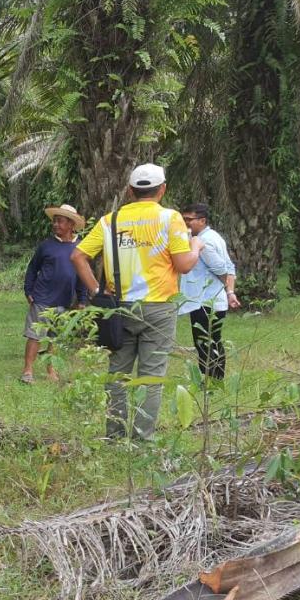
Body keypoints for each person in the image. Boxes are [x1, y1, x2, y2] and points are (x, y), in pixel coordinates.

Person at [71, 164, 204, 440]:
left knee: (117, 374)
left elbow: (78, 257)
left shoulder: (111, 221)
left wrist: (96, 290)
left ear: (130, 191)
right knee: (151, 376)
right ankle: (142, 438)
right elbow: (184, 266)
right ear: (163, 189)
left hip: (119, 307)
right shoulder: (171, 218)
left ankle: (114, 435)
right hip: (158, 308)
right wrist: (195, 247)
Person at [21, 204, 87, 384]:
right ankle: (27, 370)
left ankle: (51, 370)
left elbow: (83, 275)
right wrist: (28, 290)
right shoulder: (46, 246)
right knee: (35, 335)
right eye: (54, 221)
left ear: (71, 225)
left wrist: (82, 299)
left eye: (60, 221)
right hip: (42, 298)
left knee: (55, 338)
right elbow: (32, 268)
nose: (55, 224)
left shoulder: (80, 248)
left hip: (64, 301)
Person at [178, 203, 240, 381]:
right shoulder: (214, 236)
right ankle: (215, 379)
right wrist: (230, 292)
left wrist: (228, 289)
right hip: (213, 300)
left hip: (205, 301)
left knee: (204, 343)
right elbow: (229, 266)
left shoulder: (202, 241)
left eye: (189, 219)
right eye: (183, 219)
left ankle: (211, 380)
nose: (185, 223)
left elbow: (221, 267)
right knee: (213, 341)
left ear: (202, 220)